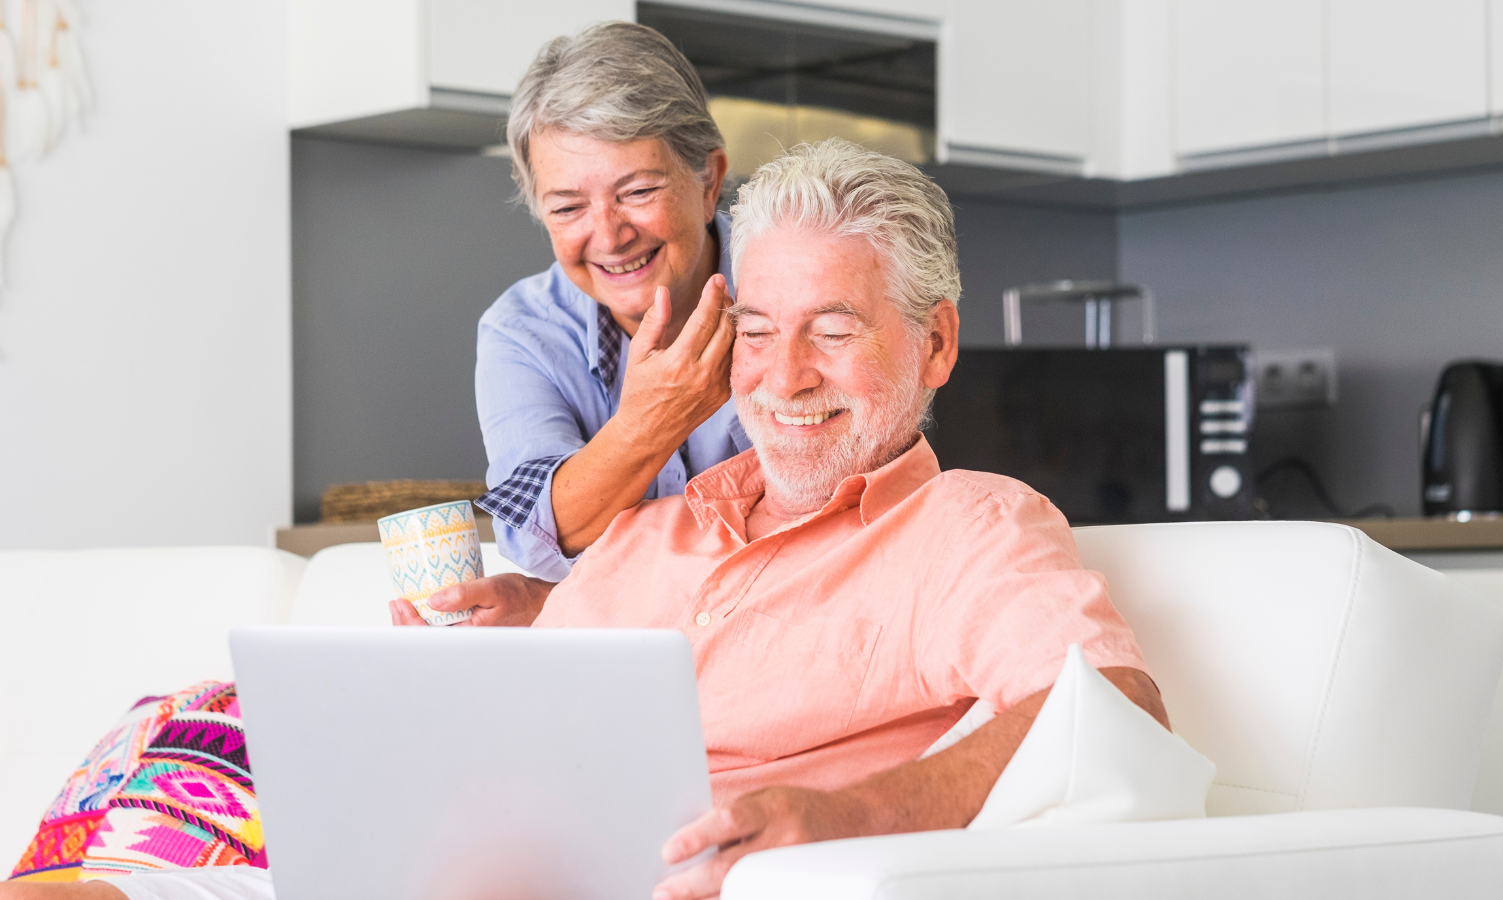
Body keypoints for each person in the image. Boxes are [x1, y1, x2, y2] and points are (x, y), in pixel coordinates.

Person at [2, 140, 1167, 900]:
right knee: (80, 880)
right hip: (445, 865)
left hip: (645, 882)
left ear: (937, 344)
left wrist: (839, 813)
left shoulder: (970, 528)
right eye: (756, 331)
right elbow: (554, 707)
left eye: (835, 329)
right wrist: (512, 630)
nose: (783, 375)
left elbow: (1110, 709)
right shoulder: (661, 535)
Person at [454, 21, 751, 626]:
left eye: (638, 190)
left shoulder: (795, 290)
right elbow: (543, 528)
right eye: (567, 207)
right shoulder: (522, 330)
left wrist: (564, 601)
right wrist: (652, 420)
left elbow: (830, 536)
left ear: (708, 180)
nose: (610, 236)